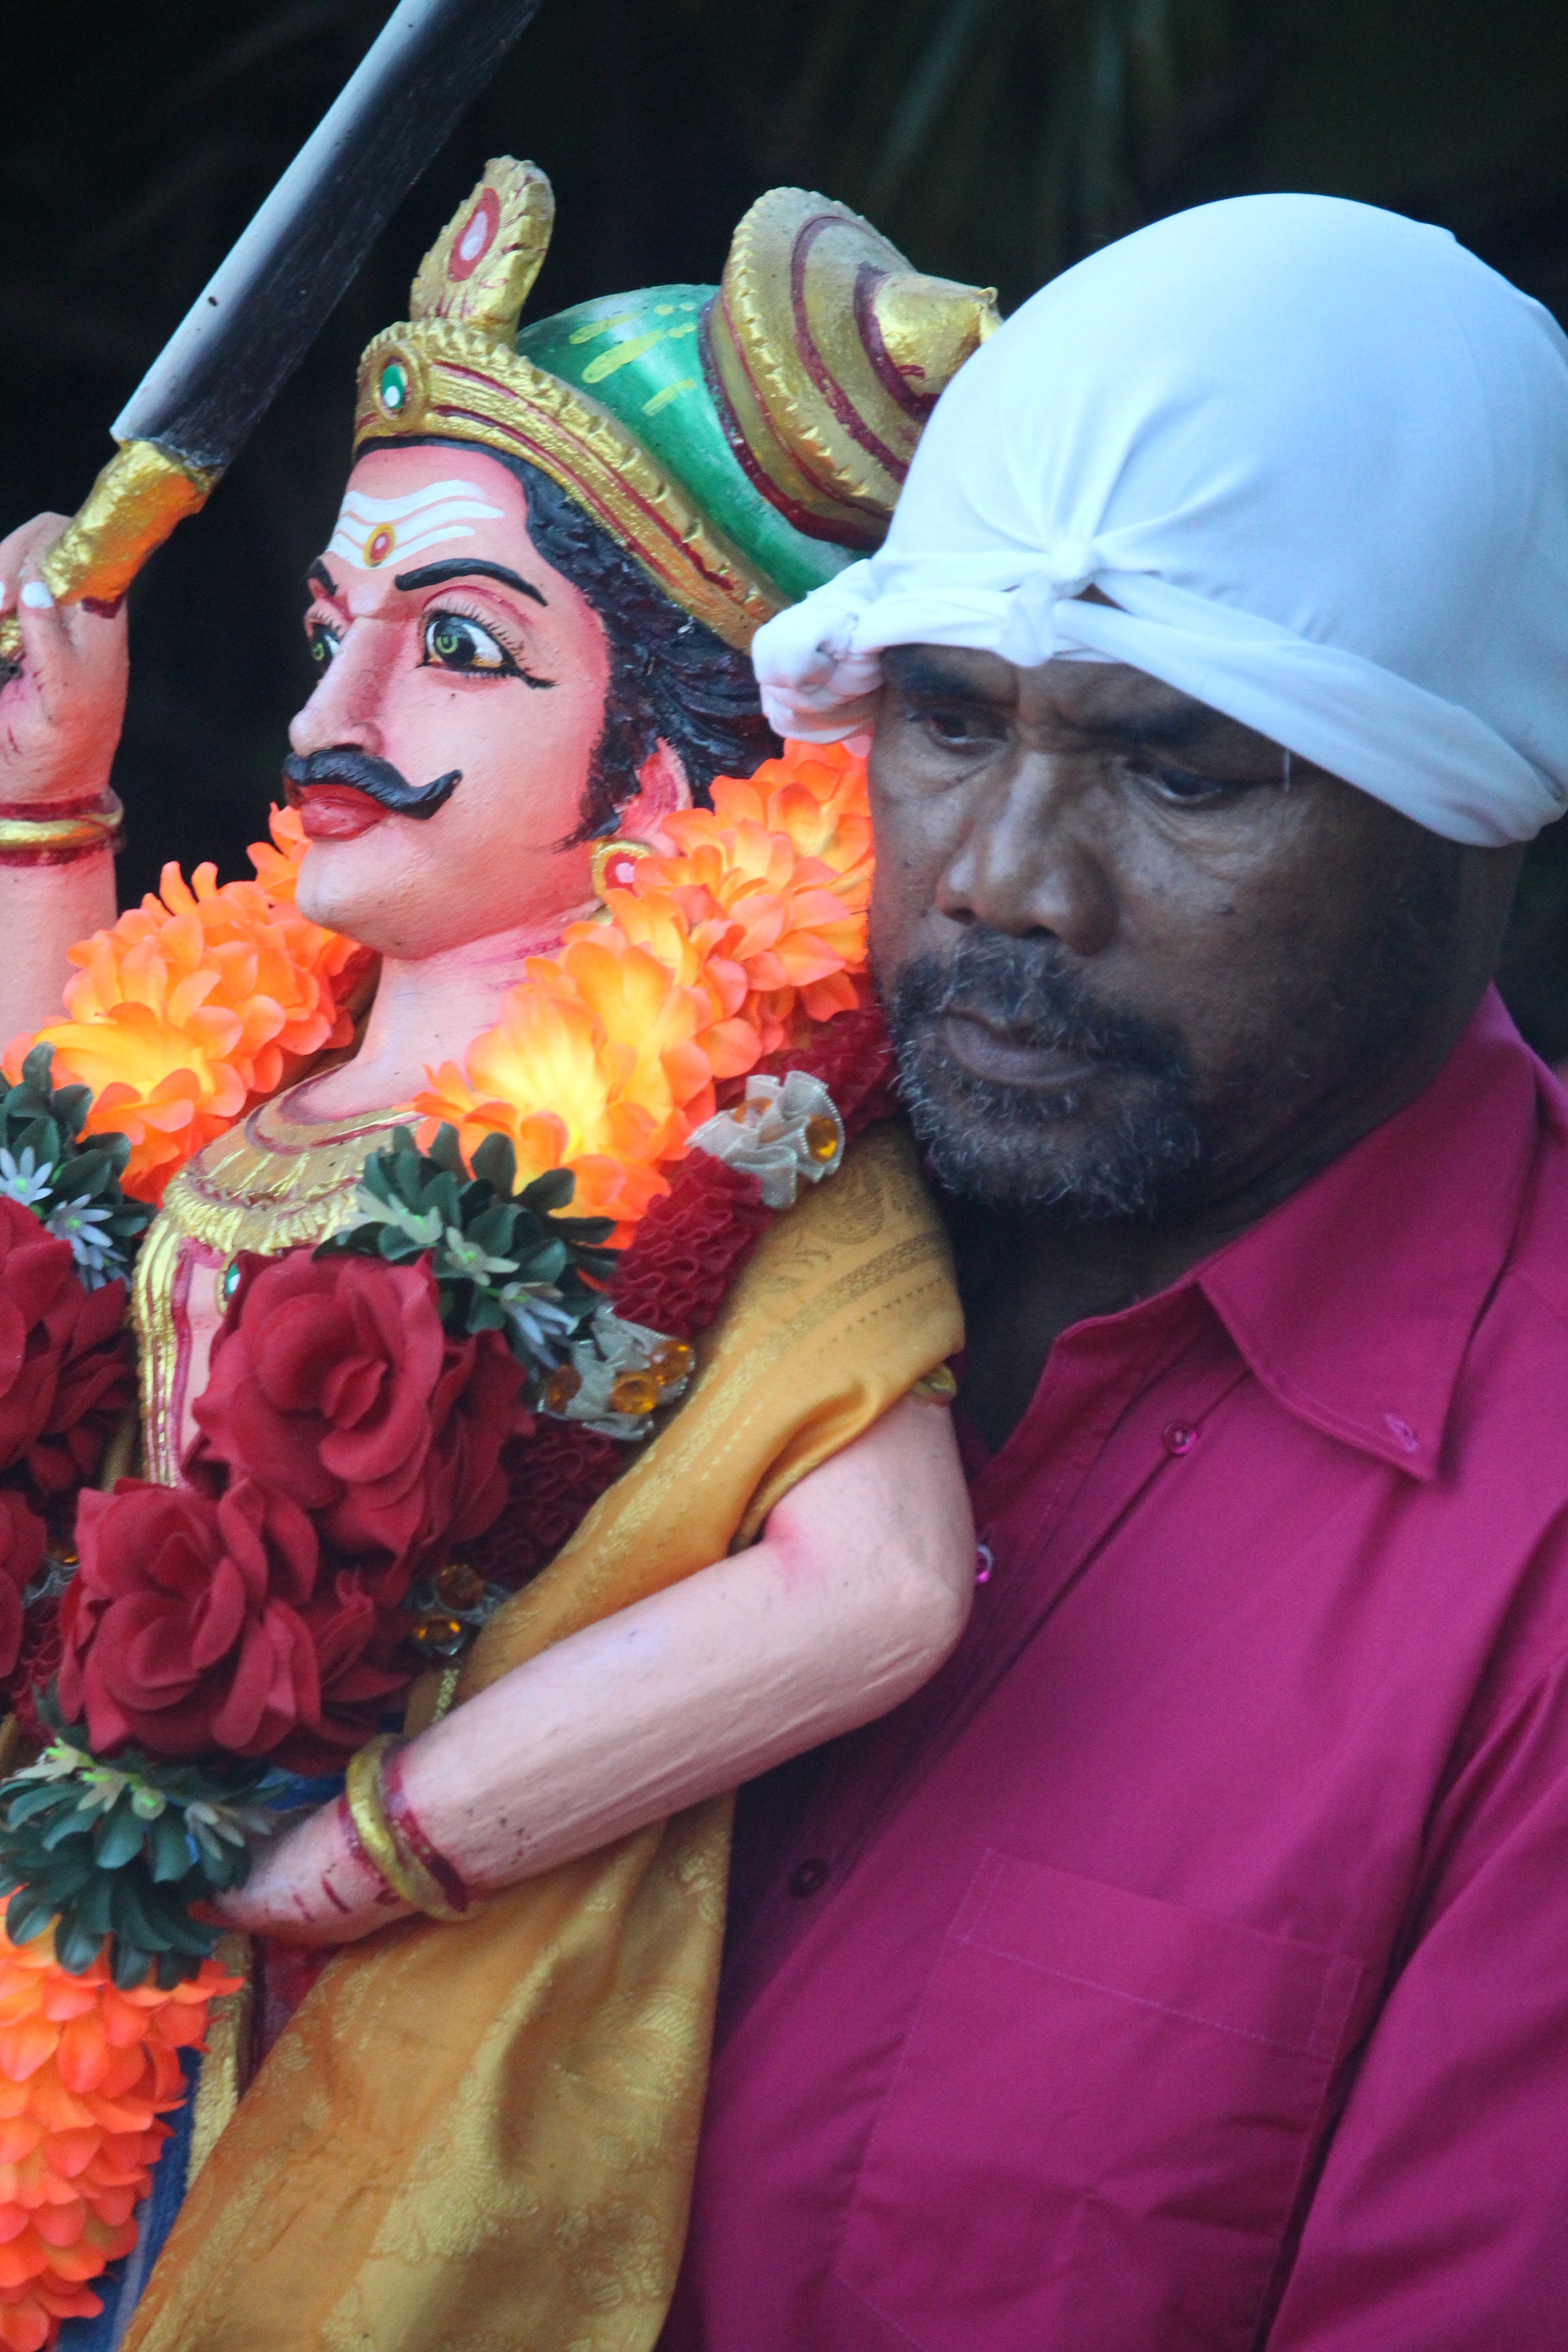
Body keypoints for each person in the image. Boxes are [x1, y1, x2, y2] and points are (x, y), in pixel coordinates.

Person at [0, 165, 997, 2350]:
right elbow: (54, 1218)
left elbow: (886, 1583)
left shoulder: (734, 1152)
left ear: (679, 763)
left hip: (401, 2018)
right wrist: (52, 807)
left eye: (454, 641)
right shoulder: (263, 1067)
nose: (338, 702)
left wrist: (363, 1850)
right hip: (61, 1951)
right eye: (335, 619)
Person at [658, 193, 1568, 2349]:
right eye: (952, 721)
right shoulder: (653, 1220)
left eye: (1180, 767)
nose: (1001, 881)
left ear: (1483, 816)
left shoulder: (1527, 1559)